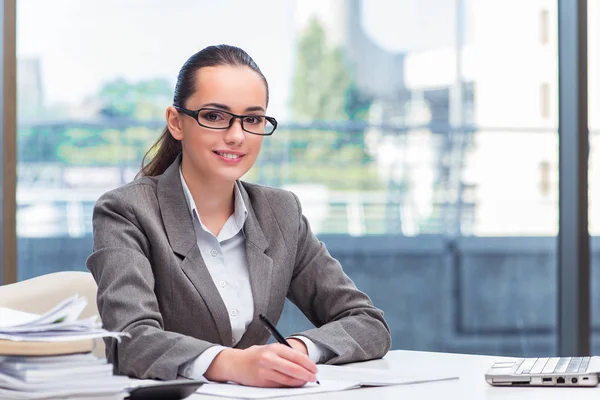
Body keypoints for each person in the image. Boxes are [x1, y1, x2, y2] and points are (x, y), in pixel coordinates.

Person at [86, 44, 391, 387]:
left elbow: (366, 322)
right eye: (214, 116)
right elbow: (131, 340)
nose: (236, 136)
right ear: (176, 122)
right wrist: (234, 364)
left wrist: (296, 351)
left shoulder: (281, 213)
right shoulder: (125, 211)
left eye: (252, 119)